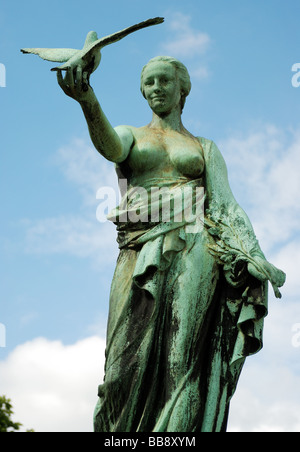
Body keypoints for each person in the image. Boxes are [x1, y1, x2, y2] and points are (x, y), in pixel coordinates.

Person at [57, 55, 285, 432]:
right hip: (138, 246)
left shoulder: (204, 147)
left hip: (198, 249)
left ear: (183, 89)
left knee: (182, 359)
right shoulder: (132, 134)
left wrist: (255, 255)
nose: (156, 88)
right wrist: (87, 100)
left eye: (164, 81)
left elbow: (226, 204)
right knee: (120, 365)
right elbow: (110, 148)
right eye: (149, 83)